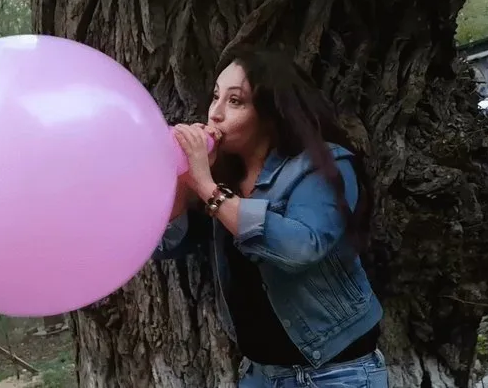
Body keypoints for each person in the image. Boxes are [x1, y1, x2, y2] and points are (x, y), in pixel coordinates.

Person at [153, 46, 388, 387]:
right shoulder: (222, 175)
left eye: (235, 101)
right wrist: (182, 177)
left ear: (270, 112)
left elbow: (301, 249)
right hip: (261, 375)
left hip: (337, 374)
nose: (215, 114)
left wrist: (208, 188)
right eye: (215, 97)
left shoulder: (324, 165)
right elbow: (167, 244)